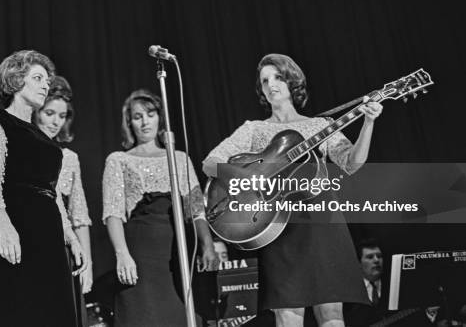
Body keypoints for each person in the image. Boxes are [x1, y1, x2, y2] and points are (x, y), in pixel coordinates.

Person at [202, 54, 383, 327]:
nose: (271, 84)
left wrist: (368, 123)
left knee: (332, 314)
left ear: (292, 80)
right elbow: (210, 163)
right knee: (287, 314)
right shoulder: (254, 129)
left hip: (323, 222)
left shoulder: (318, 125)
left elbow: (351, 164)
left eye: (277, 77)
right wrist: (250, 177)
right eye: (264, 80)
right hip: (280, 225)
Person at [0, 50, 85, 326]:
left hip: (48, 240)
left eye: (47, 79)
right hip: (14, 234)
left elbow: (50, 193)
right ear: (16, 80)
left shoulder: (43, 138)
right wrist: (4, 227)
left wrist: (70, 236)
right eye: (38, 77)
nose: (46, 84)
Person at [102, 89, 219, 327]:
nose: (145, 121)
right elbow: (113, 212)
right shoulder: (118, 160)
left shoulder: (178, 158)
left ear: (160, 117)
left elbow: (196, 208)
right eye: (137, 116)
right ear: (129, 123)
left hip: (176, 254)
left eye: (150, 113)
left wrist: (207, 245)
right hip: (140, 254)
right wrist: (122, 255)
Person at [34, 75, 92, 325]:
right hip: (29, 247)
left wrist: (87, 263)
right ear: (36, 111)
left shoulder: (69, 158)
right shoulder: (17, 148)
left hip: (64, 251)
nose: (55, 121)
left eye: (62, 115)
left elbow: (79, 215)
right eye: (49, 113)